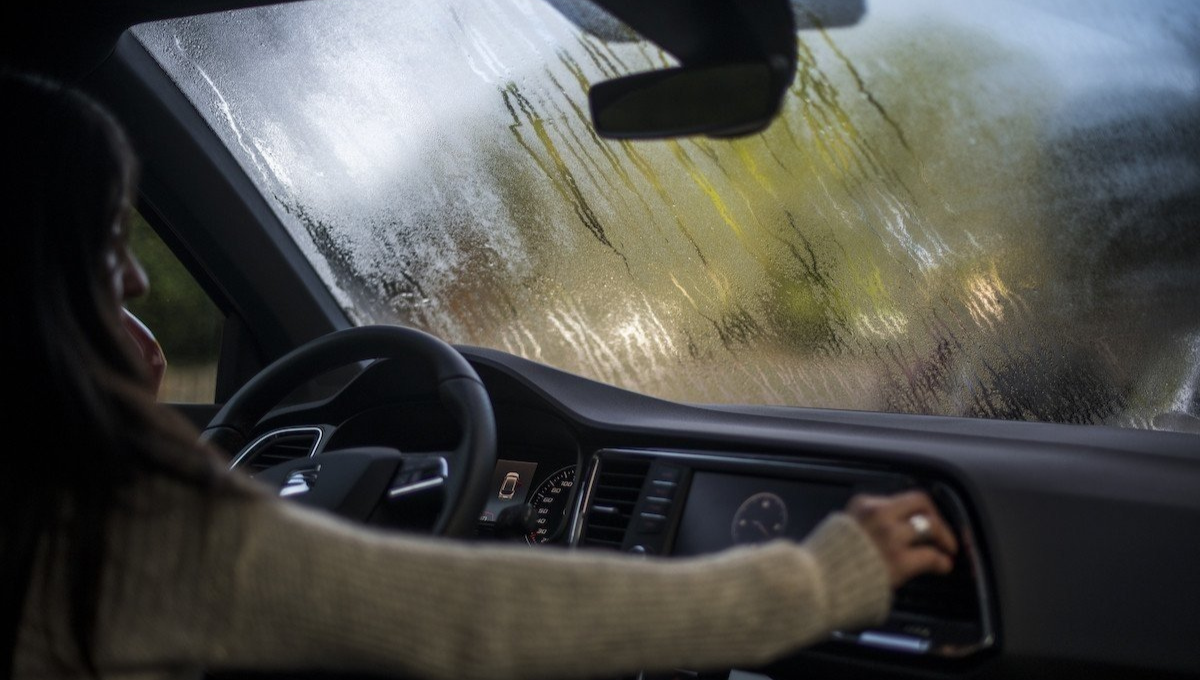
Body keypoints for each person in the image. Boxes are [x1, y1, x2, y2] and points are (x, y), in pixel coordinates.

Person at [0, 71, 958, 680]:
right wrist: (822, 581)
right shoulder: (120, 537)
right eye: (107, 245)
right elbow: (480, 621)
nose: (131, 280)